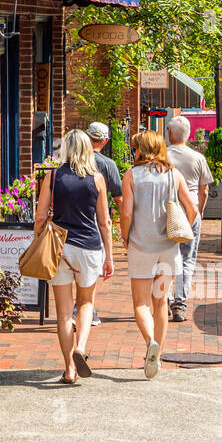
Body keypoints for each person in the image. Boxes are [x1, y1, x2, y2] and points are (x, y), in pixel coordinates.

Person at [34, 128, 114, 385]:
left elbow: (40, 216)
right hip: (89, 249)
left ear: (66, 149)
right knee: (87, 303)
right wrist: (109, 256)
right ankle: (80, 346)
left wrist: (38, 239)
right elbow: (105, 223)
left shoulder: (53, 176)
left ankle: (69, 369)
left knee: (64, 313)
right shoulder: (97, 178)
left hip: (60, 248)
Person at [119, 130, 198, 379]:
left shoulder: (131, 175)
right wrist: (181, 226)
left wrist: (124, 236)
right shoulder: (173, 174)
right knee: (161, 302)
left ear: (141, 149)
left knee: (140, 303)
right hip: (168, 249)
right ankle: (158, 356)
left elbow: (127, 213)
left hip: (141, 248)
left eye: (136, 148)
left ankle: (150, 341)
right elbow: (192, 208)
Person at [166, 115, 214, 322]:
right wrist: (200, 211)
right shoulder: (197, 158)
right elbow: (204, 189)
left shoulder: (163, 157)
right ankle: (180, 303)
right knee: (187, 258)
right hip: (190, 211)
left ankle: (165, 298)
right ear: (189, 135)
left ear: (169, 133)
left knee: (167, 257)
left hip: (167, 212)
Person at [86, 121, 122, 327]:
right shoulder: (108, 165)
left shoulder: (69, 161)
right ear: (105, 141)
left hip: (68, 220)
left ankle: (82, 307)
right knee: (91, 265)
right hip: (96, 222)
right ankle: (84, 307)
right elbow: (118, 197)